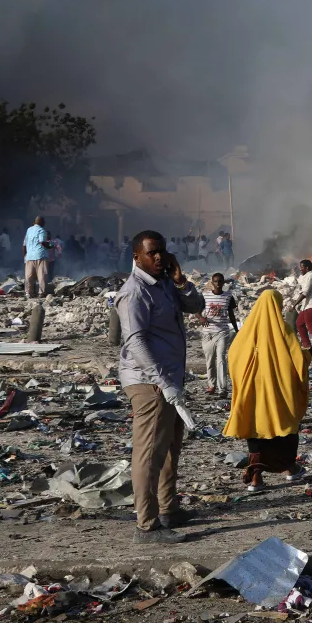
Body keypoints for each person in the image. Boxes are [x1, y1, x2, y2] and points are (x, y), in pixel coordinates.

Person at [116, 230, 205, 544]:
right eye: (151, 253)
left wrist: (181, 281)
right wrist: (162, 380)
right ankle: (147, 525)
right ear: (136, 256)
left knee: (170, 447)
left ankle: (169, 509)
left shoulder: (165, 283)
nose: (158, 258)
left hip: (170, 379)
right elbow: (136, 341)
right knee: (148, 453)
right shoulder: (135, 291)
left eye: (162, 252)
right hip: (149, 382)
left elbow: (196, 306)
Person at [223, 289, 308, 492]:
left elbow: (233, 358)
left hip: (252, 392)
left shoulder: (245, 333)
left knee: (255, 431)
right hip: (279, 392)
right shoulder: (284, 331)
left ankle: (255, 479)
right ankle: (289, 468)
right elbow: (298, 361)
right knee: (285, 427)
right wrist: (309, 355)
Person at [198, 273, 238, 396]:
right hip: (207, 333)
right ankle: (211, 385)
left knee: (221, 359)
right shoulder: (205, 296)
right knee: (209, 361)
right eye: (216, 281)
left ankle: (223, 389)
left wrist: (237, 330)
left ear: (224, 282)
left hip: (222, 332)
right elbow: (196, 310)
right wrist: (201, 318)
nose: (218, 284)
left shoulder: (228, 296)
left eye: (220, 281)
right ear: (212, 282)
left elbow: (231, 315)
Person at [289, 259, 312, 352]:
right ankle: (307, 345)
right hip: (308, 305)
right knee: (299, 323)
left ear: (307, 268)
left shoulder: (310, 276)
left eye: (301, 267)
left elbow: (305, 292)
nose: (300, 269)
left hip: (311, 305)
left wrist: (294, 305)